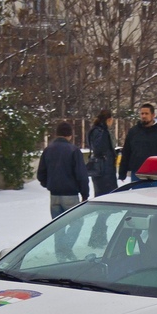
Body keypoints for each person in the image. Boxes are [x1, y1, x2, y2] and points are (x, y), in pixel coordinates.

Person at [37, 121, 89, 260]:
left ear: (56, 134)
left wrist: (49, 184)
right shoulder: (73, 151)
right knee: (77, 222)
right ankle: (66, 249)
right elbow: (82, 175)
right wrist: (85, 194)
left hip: (54, 195)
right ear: (70, 135)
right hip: (71, 194)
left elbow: (40, 174)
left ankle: (59, 254)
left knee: (57, 225)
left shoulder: (48, 150)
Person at [118, 103, 157, 182]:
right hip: (137, 172)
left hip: (154, 173)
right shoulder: (133, 132)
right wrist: (122, 173)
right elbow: (126, 152)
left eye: (146, 113)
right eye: (142, 113)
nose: (143, 116)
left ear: (153, 115)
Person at [87, 109, 117, 196]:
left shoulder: (96, 130)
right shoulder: (101, 131)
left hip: (103, 169)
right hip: (104, 170)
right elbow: (99, 148)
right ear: (109, 120)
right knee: (106, 195)